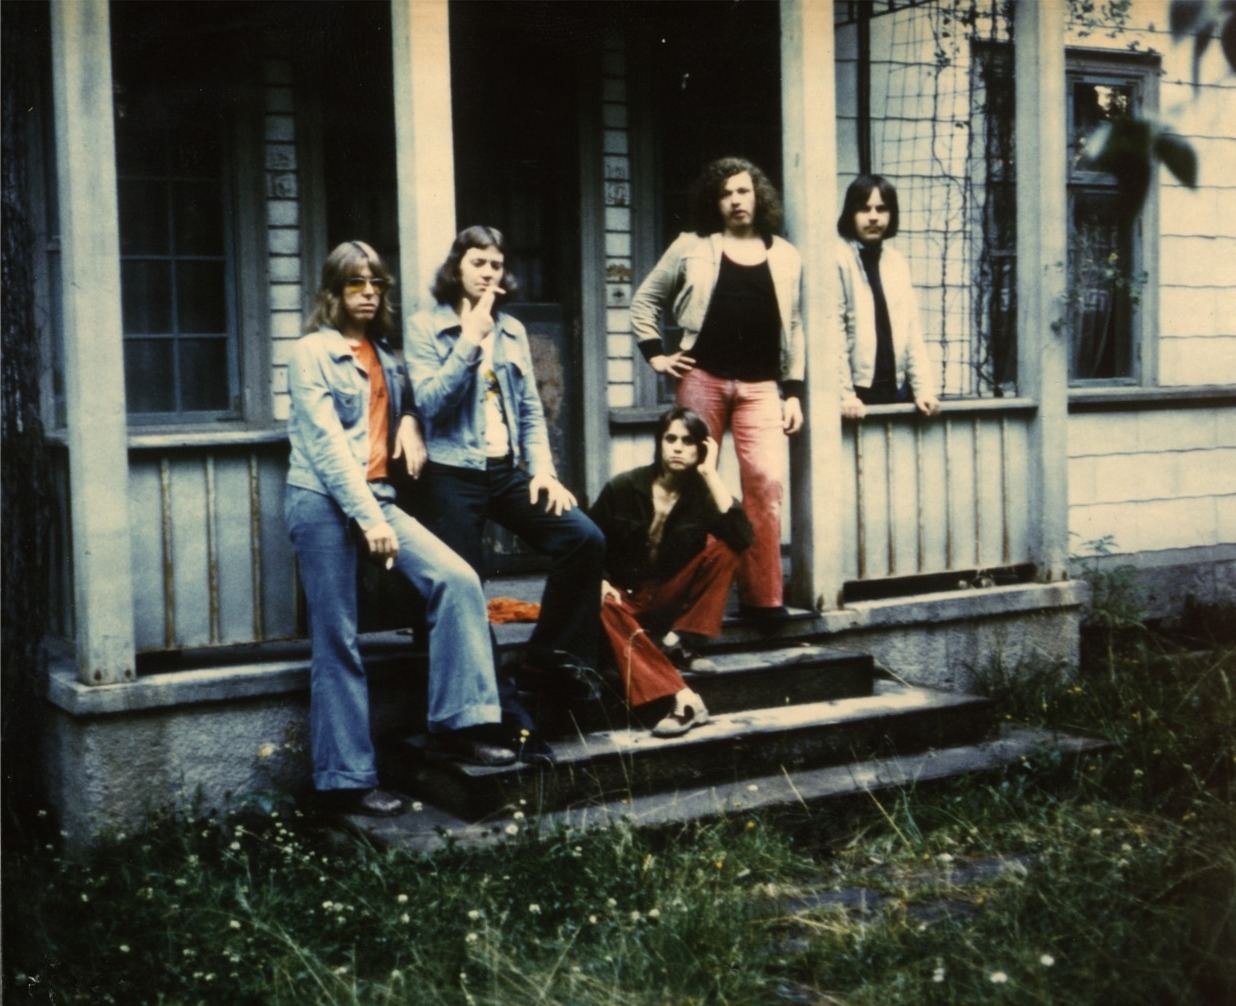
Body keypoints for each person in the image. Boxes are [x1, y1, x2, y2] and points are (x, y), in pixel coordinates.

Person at [285, 241, 516, 819]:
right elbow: (326, 446)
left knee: (457, 580)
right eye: (355, 284)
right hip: (322, 502)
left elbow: (413, 402)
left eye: (376, 284)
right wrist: (366, 517)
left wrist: (409, 420)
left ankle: (459, 726)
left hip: (378, 500)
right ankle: (345, 781)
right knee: (338, 639)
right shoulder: (312, 352)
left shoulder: (385, 355)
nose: (368, 294)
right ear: (333, 291)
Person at [405, 226, 606, 699]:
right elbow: (430, 403)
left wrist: (543, 471)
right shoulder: (424, 326)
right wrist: (469, 341)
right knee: (464, 582)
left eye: (496, 264)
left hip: (505, 469)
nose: (488, 273)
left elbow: (531, 409)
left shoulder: (512, 329)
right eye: (477, 262)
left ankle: (549, 661)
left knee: (583, 538)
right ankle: (489, 695)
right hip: (451, 472)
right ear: (457, 267)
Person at [629, 156, 804, 621]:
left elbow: (795, 325)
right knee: (691, 483)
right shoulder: (691, 246)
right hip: (702, 378)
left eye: (743, 191)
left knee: (765, 482)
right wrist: (657, 355)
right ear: (715, 202)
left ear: (758, 195)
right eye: (725, 193)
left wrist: (793, 391)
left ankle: (762, 599)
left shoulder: (786, 256)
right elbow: (645, 301)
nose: (735, 200)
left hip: (761, 386)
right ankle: (686, 595)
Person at [590, 407, 753, 738]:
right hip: (625, 597)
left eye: (688, 441)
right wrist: (601, 580)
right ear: (660, 443)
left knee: (726, 550)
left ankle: (680, 641)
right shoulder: (624, 487)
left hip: (667, 596)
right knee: (600, 603)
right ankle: (682, 698)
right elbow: (587, 541)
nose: (678, 447)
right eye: (671, 439)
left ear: (701, 448)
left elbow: (742, 537)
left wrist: (710, 474)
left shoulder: (704, 495)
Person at [835, 174, 940, 420]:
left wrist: (923, 390)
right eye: (864, 209)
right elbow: (834, 333)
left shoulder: (896, 262)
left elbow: (911, 332)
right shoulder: (838, 259)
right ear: (851, 213)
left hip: (896, 389)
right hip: (856, 395)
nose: (873, 217)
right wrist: (845, 395)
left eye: (881, 209)